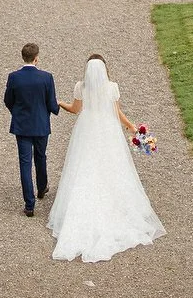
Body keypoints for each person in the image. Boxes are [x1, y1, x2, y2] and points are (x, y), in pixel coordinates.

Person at [48, 54, 166, 262]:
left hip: (87, 128)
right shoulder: (112, 87)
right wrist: (131, 127)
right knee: (112, 164)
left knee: (84, 163)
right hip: (108, 128)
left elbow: (76, 110)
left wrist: (60, 103)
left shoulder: (81, 87)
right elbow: (116, 111)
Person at [3, 42, 59, 217]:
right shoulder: (46, 77)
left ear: (23, 57)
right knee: (41, 156)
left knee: (25, 163)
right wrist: (56, 109)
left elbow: (8, 100)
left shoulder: (14, 77)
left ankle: (29, 204)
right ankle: (41, 187)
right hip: (41, 125)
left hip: (22, 126)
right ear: (36, 58)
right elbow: (51, 103)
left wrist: (17, 113)